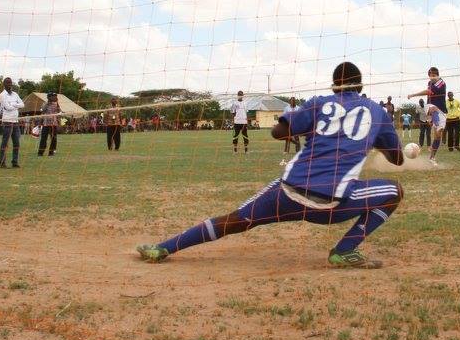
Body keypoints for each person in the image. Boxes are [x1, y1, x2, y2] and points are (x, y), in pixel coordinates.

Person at [136, 62, 404, 269]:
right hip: (331, 205)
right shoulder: (377, 112)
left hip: (287, 192)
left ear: (334, 86)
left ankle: (163, 248)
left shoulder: (318, 104)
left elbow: (278, 132)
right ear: (360, 85)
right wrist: (374, 143)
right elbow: (397, 158)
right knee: (395, 192)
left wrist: (306, 130)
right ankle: (345, 250)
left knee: (237, 220)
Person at [407, 67, 447, 163]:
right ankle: (433, 119)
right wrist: (428, 115)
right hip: (431, 107)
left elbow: (428, 92)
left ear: (438, 75)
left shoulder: (441, 83)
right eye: (430, 76)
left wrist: (413, 95)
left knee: (438, 134)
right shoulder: (430, 83)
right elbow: (429, 95)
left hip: (442, 111)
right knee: (433, 109)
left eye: (434, 75)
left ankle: (432, 158)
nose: (432, 78)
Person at [0, 77, 25, 168]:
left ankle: (15, 161)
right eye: (8, 83)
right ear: (4, 84)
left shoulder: (15, 94)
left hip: (15, 121)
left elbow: (22, 104)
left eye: (10, 83)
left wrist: (13, 105)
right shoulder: (2, 95)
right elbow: (7, 108)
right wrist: (17, 106)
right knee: (5, 143)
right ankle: (2, 162)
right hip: (7, 121)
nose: (10, 85)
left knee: (17, 143)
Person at [38, 92, 60, 156]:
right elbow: (43, 111)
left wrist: (59, 122)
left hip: (54, 124)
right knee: (43, 139)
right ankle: (40, 153)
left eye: (54, 96)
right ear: (48, 97)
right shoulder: (44, 104)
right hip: (46, 124)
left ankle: (51, 152)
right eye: (52, 96)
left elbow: (59, 112)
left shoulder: (56, 104)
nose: (54, 97)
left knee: (53, 138)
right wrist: (40, 123)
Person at [280, 97, 300, 164]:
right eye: (291, 101)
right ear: (289, 102)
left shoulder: (298, 108)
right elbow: (284, 115)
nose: (292, 102)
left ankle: (298, 151)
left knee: (296, 138)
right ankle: (286, 150)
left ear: (295, 102)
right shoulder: (286, 108)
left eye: (293, 101)